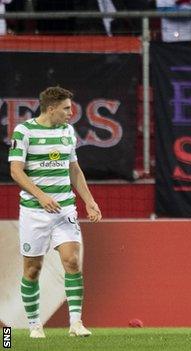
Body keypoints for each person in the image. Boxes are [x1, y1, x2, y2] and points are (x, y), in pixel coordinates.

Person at [8, 86, 102, 338]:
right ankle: (34, 325)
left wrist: (89, 201)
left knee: (72, 262)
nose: (71, 113)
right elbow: (16, 171)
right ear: (51, 109)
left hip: (64, 209)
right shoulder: (24, 131)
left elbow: (74, 170)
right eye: (66, 108)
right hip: (34, 212)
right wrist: (41, 196)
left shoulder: (67, 132)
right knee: (32, 270)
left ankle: (76, 324)